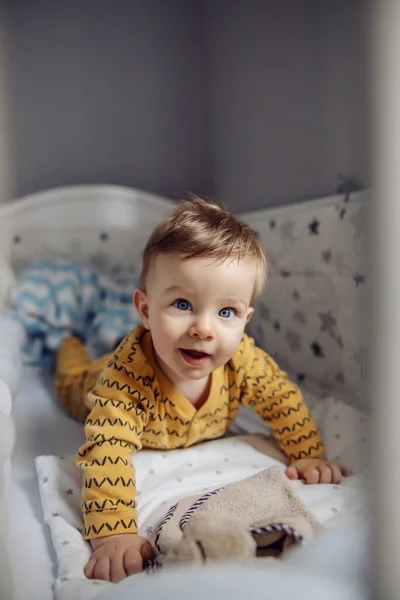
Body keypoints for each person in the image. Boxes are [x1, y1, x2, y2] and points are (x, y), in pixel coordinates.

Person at [63, 198, 350, 584]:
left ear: (246, 319)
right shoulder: (123, 382)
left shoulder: (243, 360)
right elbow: (107, 452)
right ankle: (66, 346)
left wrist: (308, 455)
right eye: (183, 304)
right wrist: (114, 533)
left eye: (226, 312)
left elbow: (281, 399)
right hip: (89, 385)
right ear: (145, 310)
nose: (204, 328)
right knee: (71, 376)